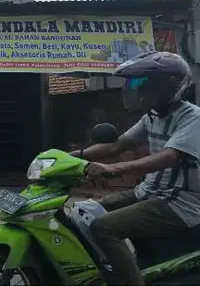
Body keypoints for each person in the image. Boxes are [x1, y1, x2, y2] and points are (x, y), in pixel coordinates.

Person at [71, 51, 200, 285]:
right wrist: (71, 157)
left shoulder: (193, 118)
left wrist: (115, 169)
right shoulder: (152, 116)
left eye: (145, 84)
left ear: (169, 87)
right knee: (81, 213)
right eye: (136, 84)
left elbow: (169, 157)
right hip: (150, 192)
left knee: (104, 227)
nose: (139, 91)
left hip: (181, 202)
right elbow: (116, 146)